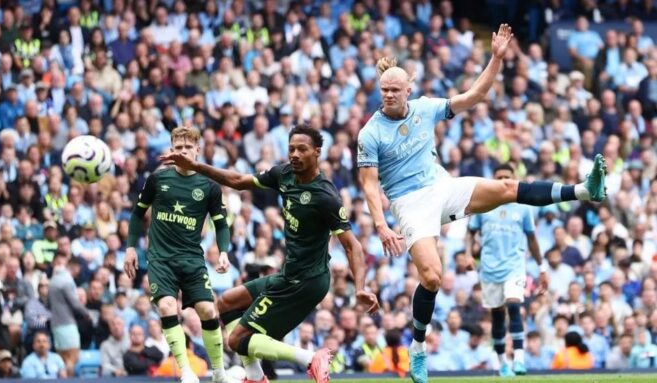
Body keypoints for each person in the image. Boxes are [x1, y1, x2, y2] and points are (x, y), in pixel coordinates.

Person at [356, 24, 607, 383]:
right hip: (410, 204)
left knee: (507, 187)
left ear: (409, 89)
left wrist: (495, 59)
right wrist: (381, 224)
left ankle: (585, 190)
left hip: (442, 186)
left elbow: (473, 95)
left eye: (395, 90)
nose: (389, 96)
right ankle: (418, 349)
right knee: (432, 277)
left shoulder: (425, 108)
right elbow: (368, 185)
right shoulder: (370, 132)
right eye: (384, 90)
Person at [160, 124, 379, 383]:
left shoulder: (325, 196)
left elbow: (353, 245)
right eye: (291, 149)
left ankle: (310, 359)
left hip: (307, 282)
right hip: (289, 275)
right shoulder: (283, 174)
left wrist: (360, 288)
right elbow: (238, 181)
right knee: (226, 303)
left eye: (302, 149)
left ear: (317, 152)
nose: (295, 154)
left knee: (236, 340)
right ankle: (256, 377)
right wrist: (196, 166)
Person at [124, 127, 233, 383]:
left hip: (192, 259)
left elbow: (221, 223)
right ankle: (185, 370)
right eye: (178, 147)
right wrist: (130, 247)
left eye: (187, 147)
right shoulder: (158, 179)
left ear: (197, 149)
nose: (183, 152)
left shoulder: (209, 186)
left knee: (208, 310)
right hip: (161, 259)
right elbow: (137, 214)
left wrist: (224, 251)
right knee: (165, 305)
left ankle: (218, 372)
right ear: (172, 150)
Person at [467, 164, 547, 376]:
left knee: (514, 305)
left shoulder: (523, 207)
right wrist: (467, 254)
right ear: (493, 179)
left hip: (514, 266)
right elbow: (471, 232)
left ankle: (519, 359)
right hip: (489, 268)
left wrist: (542, 267)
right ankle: (503, 362)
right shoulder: (483, 205)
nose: (503, 180)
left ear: (514, 178)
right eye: (499, 176)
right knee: (497, 316)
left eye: (506, 176)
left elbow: (532, 239)